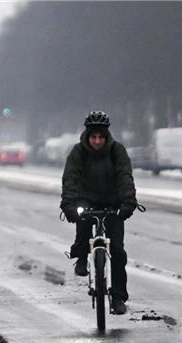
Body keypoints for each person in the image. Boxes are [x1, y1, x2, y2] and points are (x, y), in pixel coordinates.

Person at [60, 110, 138, 315]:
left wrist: (128, 202)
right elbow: (70, 178)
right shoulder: (77, 153)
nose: (96, 141)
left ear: (106, 137)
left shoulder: (117, 151)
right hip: (86, 201)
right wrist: (68, 204)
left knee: (119, 252)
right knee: (83, 231)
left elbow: (125, 176)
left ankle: (118, 297)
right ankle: (81, 257)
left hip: (112, 204)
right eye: (93, 137)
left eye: (100, 137)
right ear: (87, 136)